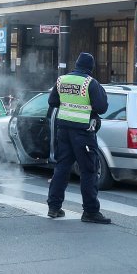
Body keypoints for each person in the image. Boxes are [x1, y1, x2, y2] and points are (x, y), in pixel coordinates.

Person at [46, 52, 111, 224]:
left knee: (62, 168)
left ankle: (54, 207)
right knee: (89, 171)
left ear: (76, 64)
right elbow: (101, 107)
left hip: (64, 130)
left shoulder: (62, 80)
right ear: (91, 67)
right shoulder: (90, 83)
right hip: (83, 133)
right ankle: (90, 211)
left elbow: (52, 102)